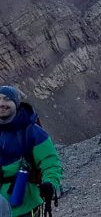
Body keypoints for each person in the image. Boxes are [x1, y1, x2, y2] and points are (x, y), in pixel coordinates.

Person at [0, 86, 62, 217]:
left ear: (16, 103)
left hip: (25, 206)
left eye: (7, 99)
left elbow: (50, 161)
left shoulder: (33, 132)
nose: (1, 104)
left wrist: (50, 183)